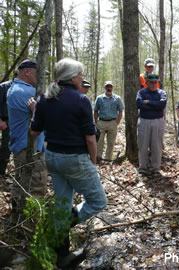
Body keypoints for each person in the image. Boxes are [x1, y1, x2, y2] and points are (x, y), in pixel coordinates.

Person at [30, 58, 107, 268]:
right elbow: (90, 138)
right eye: (80, 75)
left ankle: (62, 255)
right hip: (74, 158)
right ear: (73, 77)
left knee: (63, 204)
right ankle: (59, 227)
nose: (82, 78)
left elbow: (35, 131)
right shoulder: (81, 100)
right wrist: (93, 161)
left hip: (52, 157)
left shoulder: (45, 98)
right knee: (98, 201)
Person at [7, 60, 47, 214]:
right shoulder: (26, 92)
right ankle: (32, 225)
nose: (41, 77)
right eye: (39, 73)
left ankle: (17, 219)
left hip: (20, 145)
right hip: (30, 147)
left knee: (20, 182)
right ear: (27, 72)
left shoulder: (14, 88)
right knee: (36, 184)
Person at [136, 74, 167, 176]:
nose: (153, 84)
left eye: (155, 82)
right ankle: (143, 167)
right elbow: (139, 104)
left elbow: (162, 105)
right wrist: (155, 104)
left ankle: (155, 168)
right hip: (144, 121)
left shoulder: (161, 93)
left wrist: (148, 102)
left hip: (158, 121)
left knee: (157, 145)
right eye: (151, 82)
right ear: (147, 83)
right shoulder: (141, 92)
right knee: (143, 145)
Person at [94, 81, 124, 162]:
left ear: (112, 87)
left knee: (111, 142)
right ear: (105, 87)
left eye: (110, 86)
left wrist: (117, 122)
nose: (109, 88)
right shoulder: (99, 98)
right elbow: (96, 110)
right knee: (99, 142)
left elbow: (120, 111)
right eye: (107, 86)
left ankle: (108, 159)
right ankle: (98, 158)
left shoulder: (117, 98)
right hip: (101, 122)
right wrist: (96, 121)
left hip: (112, 122)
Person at [0, 69, 18, 176]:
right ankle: (1, 172)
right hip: (7, 121)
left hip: (20, 121)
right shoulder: (3, 87)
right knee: (6, 148)